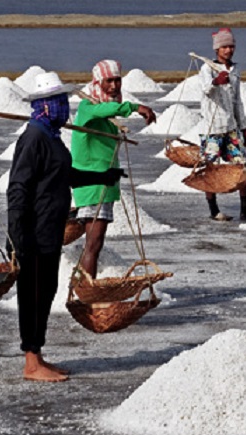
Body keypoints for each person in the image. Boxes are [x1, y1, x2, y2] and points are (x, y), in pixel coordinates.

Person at [7, 72, 125, 382]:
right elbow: (18, 188)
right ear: (43, 106)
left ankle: (39, 355)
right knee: (32, 294)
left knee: (46, 291)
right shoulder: (33, 138)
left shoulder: (52, 137)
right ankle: (31, 363)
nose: (64, 108)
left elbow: (66, 176)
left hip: (50, 230)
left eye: (64, 102)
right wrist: (17, 235)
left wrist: (102, 178)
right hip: (32, 231)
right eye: (58, 103)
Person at [71, 59, 156, 278]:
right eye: (108, 81)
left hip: (103, 183)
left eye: (117, 80)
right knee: (94, 243)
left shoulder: (104, 110)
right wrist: (136, 107)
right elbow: (105, 109)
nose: (114, 85)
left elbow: (108, 109)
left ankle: (84, 285)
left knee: (94, 243)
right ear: (98, 82)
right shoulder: (88, 108)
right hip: (93, 185)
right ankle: (85, 290)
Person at [199, 27, 246, 221]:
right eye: (224, 47)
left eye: (231, 46)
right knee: (210, 168)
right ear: (217, 49)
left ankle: (245, 208)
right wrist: (216, 81)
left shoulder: (235, 69)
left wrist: (245, 128)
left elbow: (237, 101)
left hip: (231, 128)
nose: (228, 50)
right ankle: (213, 210)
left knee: (244, 165)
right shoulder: (207, 68)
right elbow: (205, 90)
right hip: (212, 129)